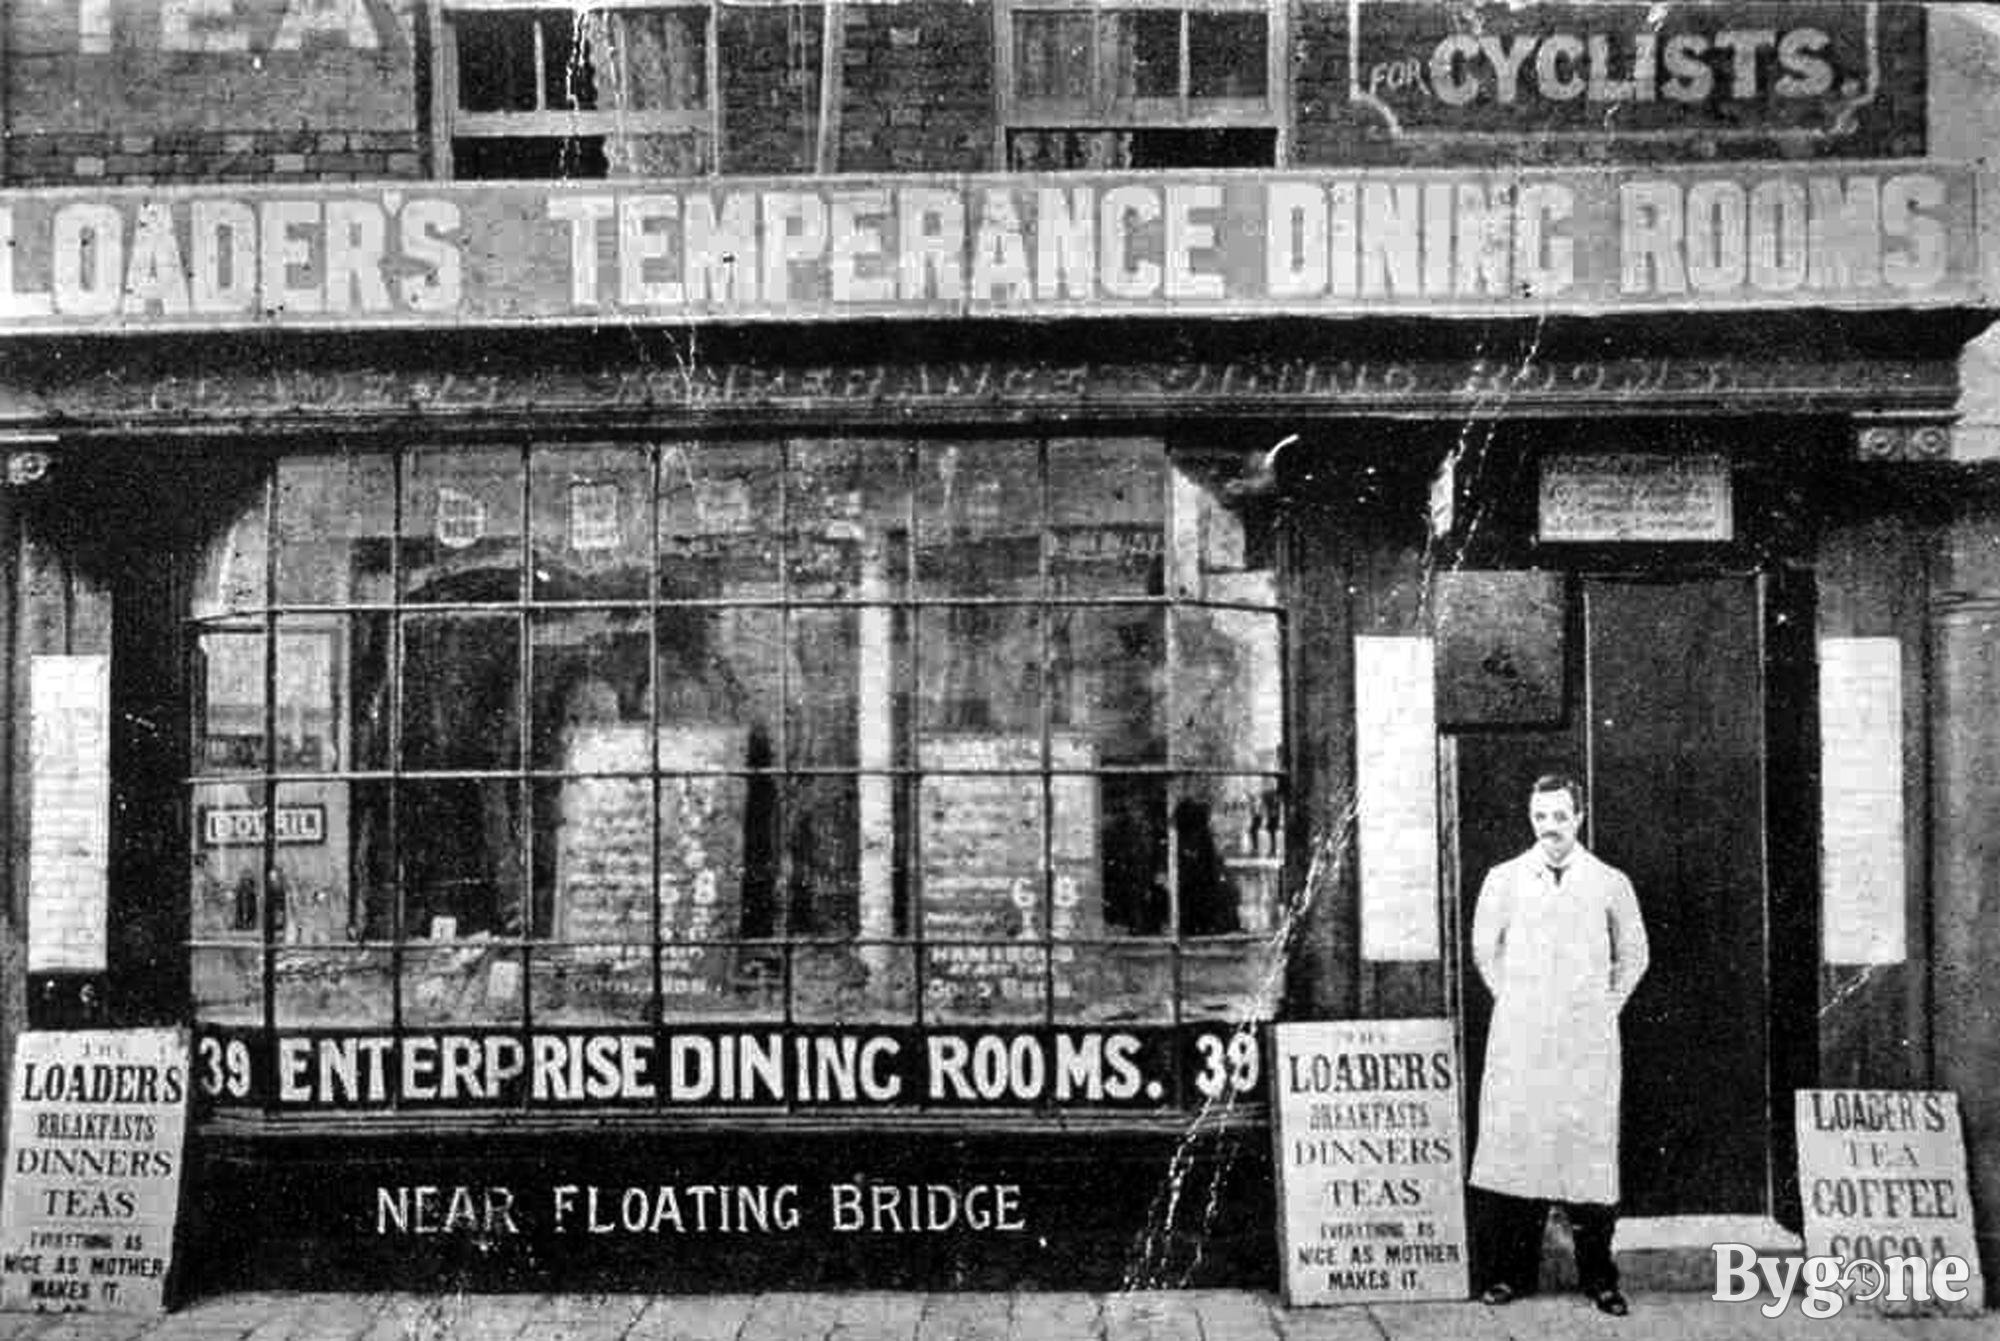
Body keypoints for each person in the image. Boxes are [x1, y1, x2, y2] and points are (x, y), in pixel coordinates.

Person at [1469, 772, 1650, 1317]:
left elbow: (1635, 955)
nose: (1550, 828)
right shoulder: (1503, 879)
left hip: (1585, 1041)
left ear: (1580, 817)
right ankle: (1509, 1276)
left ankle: (1599, 1279)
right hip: (1522, 1039)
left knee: (1587, 1156)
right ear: (1531, 818)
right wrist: (1517, 1004)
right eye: (1540, 817)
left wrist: (1604, 1007)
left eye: (1560, 816)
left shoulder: (1608, 881)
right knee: (1517, 1151)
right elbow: (1485, 950)